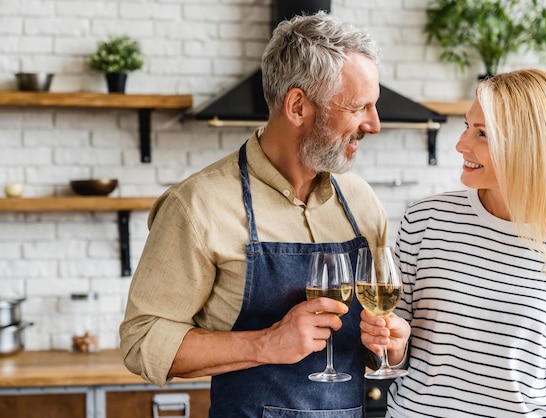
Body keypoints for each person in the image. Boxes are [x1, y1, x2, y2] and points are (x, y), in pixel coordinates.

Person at [120, 11, 388, 418]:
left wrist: (390, 343)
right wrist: (265, 343)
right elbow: (143, 340)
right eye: (358, 107)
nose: (374, 124)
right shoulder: (198, 205)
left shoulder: (361, 201)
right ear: (298, 106)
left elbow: (373, 342)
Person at [360, 68, 546, 417]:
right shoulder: (425, 221)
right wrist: (394, 344)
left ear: (530, 146)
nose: (461, 144)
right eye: (466, 125)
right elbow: (387, 358)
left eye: (483, 133)